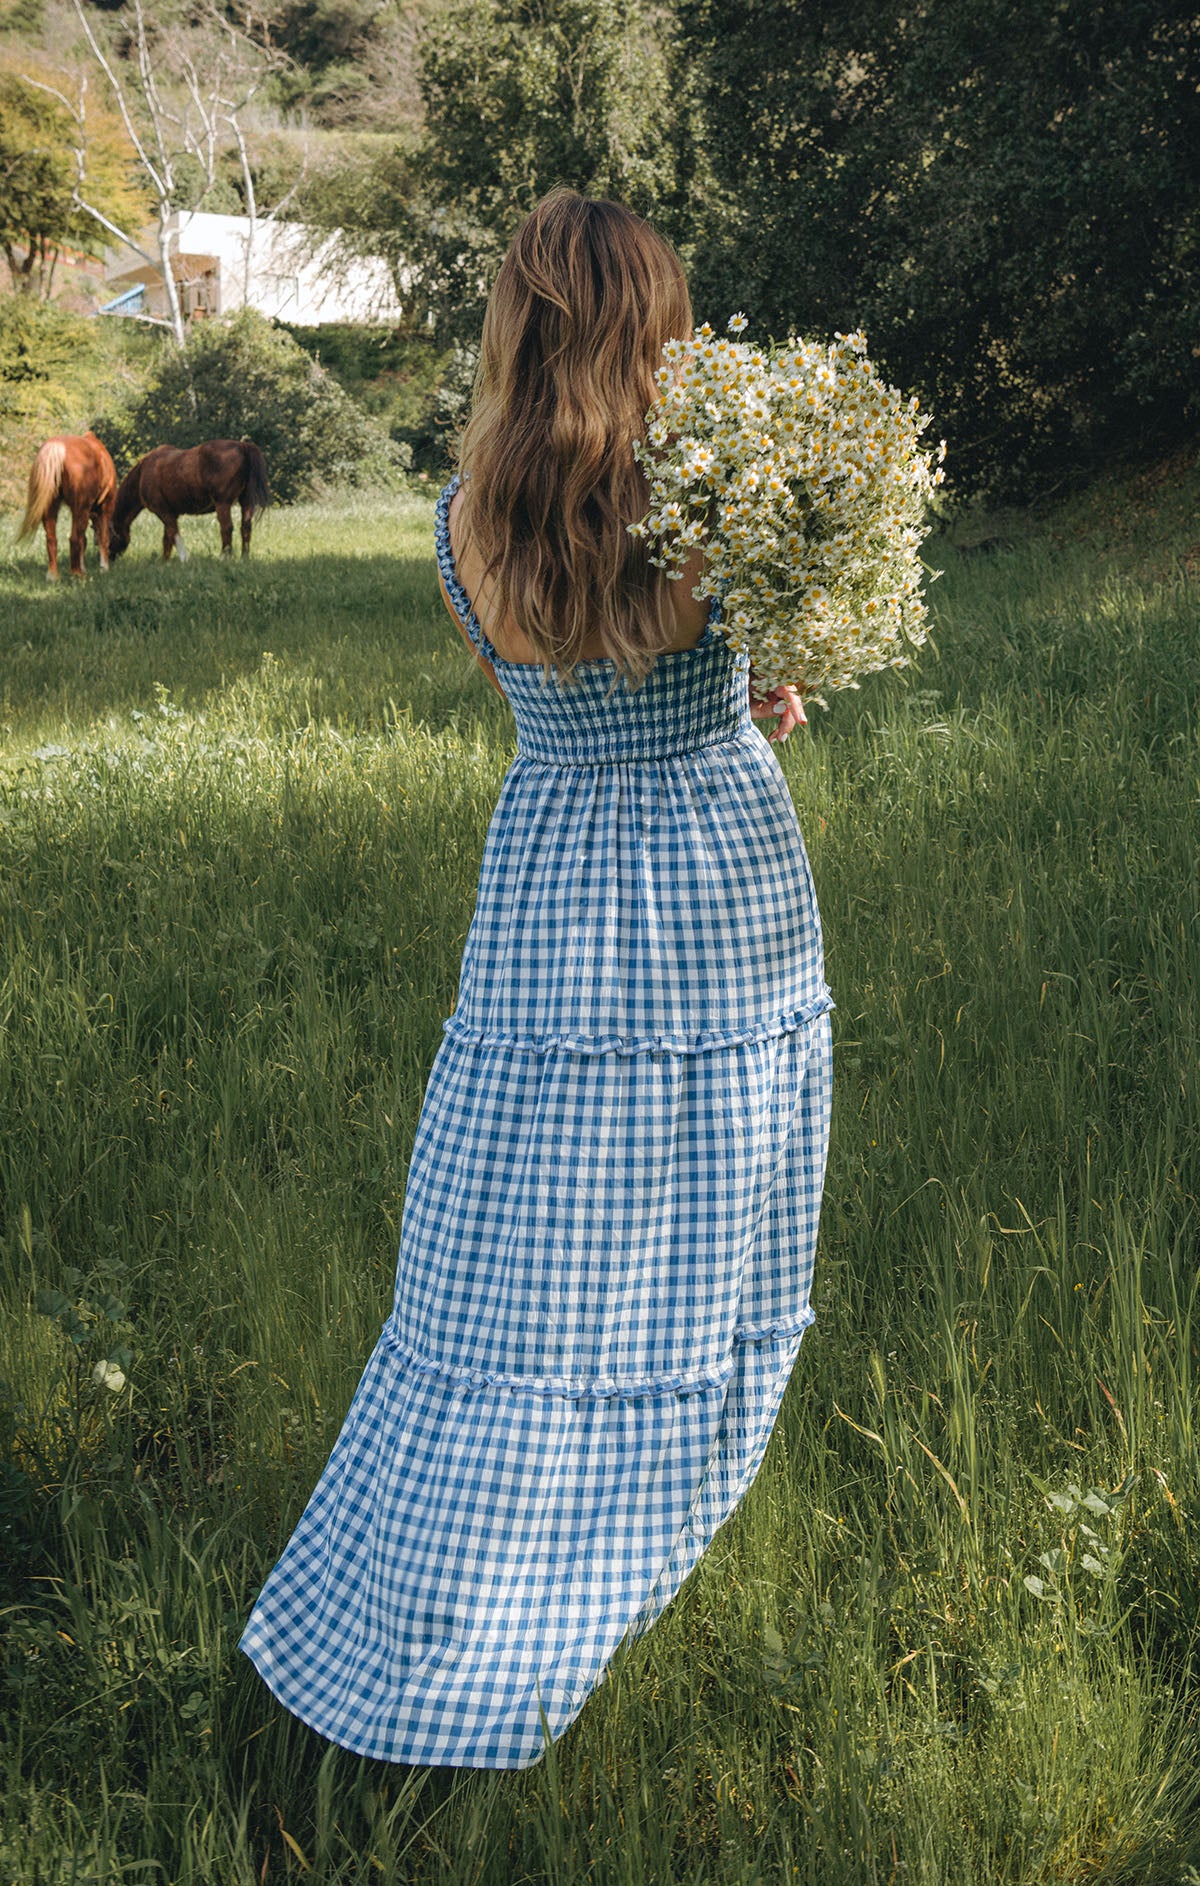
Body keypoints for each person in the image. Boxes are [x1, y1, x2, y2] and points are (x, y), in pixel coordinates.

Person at [239, 189, 833, 1770]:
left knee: (518, 1250)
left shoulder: (456, 529)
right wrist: (761, 677)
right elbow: (732, 676)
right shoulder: (713, 505)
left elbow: (561, 680)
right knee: (685, 1229)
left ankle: (435, 1597)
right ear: (654, 329)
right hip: (709, 880)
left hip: (553, 890)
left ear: (517, 328)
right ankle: (598, 1553)